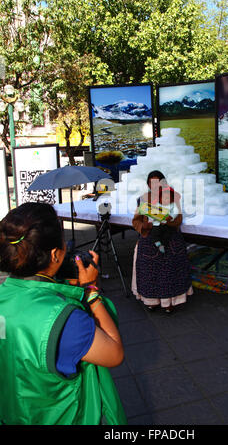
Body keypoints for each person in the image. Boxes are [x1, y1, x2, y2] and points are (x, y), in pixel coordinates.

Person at [0, 202, 127, 425]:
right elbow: (114, 354)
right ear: (55, 254)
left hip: (12, 411)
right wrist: (91, 292)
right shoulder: (64, 318)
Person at [131, 170, 193, 313]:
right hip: (149, 240)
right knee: (150, 273)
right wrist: (145, 226)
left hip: (170, 239)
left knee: (170, 272)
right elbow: (136, 221)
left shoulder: (172, 198)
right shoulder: (143, 199)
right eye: (151, 183)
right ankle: (151, 301)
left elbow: (179, 219)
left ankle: (169, 303)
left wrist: (168, 221)